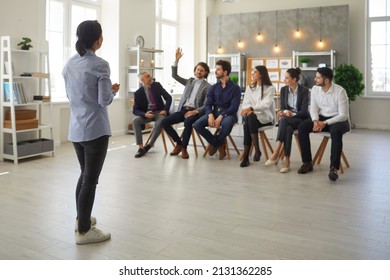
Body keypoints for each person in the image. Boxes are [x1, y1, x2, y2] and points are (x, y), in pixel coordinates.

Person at [62, 20, 119, 244]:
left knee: (85, 175)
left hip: (76, 129)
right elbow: (103, 100)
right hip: (95, 129)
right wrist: (112, 91)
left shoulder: (69, 64)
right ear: (98, 39)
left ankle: (81, 220)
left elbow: (72, 96)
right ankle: (84, 231)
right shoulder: (100, 64)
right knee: (90, 180)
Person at [297, 67, 349, 181]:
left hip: (338, 120)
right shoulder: (315, 89)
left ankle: (334, 168)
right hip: (321, 118)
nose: (315, 79)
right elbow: (313, 108)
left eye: (318, 77)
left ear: (326, 80)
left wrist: (324, 123)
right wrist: (315, 121)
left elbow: (343, 115)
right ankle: (307, 163)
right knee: (302, 127)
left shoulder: (340, 91)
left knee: (335, 132)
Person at [161, 48, 210, 159]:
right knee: (165, 122)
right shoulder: (189, 81)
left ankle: (184, 148)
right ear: (195, 70)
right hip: (183, 109)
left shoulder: (208, 87)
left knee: (188, 123)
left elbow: (206, 105)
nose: (199, 72)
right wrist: (176, 61)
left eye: (202, 70)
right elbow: (174, 76)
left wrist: (195, 111)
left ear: (205, 73)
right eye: (198, 69)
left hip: (195, 112)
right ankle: (179, 143)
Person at [193, 60, 241, 160]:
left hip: (229, 114)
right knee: (197, 124)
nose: (216, 71)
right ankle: (217, 143)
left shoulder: (235, 88)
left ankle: (215, 144)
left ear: (225, 72)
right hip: (214, 113)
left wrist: (221, 115)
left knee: (227, 123)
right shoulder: (213, 87)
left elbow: (234, 107)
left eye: (218, 69)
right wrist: (210, 114)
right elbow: (208, 104)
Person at [265, 68, 309, 173]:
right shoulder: (284, 90)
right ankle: (287, 161)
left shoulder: (304, 91)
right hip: (288, 120)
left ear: (294, 79)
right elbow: (283, 107)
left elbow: (304, 111)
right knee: (288, 129)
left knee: (284, 121)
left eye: (286, 78)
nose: (284, 80)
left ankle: (276, 152)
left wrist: (292, 113)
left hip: (300, 120)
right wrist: (283, 111)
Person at [240, 65, 276, 167]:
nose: (252, 73)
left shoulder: (270, 88)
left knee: (249, 119)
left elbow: (266, 104)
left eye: (254, 72)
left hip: (266, 118)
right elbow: (245, 103)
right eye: (252, 71)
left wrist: (252, 109)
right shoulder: (250, 87)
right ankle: (253, 152)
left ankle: (250, 154)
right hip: (252, 118)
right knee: (249, 120)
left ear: (261, 74)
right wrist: (249, 110)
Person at [132, 70, 172, 158]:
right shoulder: (138, 93)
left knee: (160, 121)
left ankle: (149, 145)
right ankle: (141, 147)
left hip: (160, 112)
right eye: (147, 76)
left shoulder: (157, 85)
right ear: (142, 80)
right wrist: (144, 114)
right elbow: (135, 110)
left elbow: (168, 98)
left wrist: (165, 110)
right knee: (135, 120)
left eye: (150, 75)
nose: (150, 77)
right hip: (148, 114)